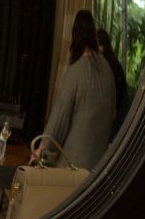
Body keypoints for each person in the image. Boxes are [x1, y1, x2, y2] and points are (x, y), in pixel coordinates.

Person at [33, 10, 115, 169]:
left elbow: (58, 120)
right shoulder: (107, 68)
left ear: (75, 35)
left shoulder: (75, 71)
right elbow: (112, 113)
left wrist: (40, 150)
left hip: (74, 166)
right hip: (98, 165)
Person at [97, 28, 129, 140]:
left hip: (120, 107)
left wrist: (113, 109)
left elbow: (118, 89)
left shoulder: (109, 63)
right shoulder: (107, 61)